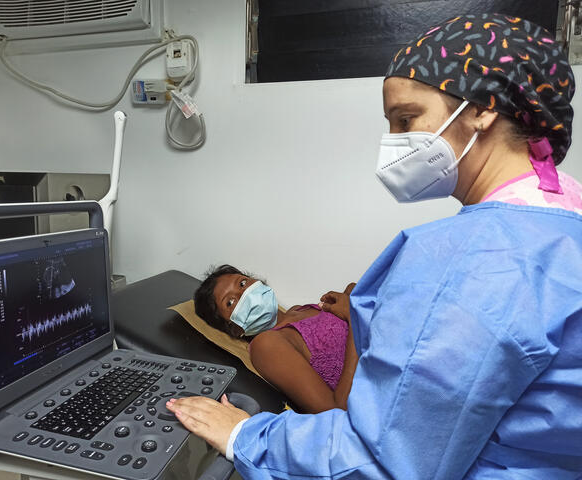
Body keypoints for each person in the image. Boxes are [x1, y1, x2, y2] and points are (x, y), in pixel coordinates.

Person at [166, 13, 582, 479]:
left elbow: (388, 458)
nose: (396, 143)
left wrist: (244, 436)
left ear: (483, 109)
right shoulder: (563, 223)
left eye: (407, 119)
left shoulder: (475, 259)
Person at [193, 264, 358, 413]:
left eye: (242, 283)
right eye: (230, 302)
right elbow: (335, 410)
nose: (244, 293)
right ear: (234, 328)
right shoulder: (266, 345)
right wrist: (355, 315)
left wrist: (354, 297)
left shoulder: (299, 310)